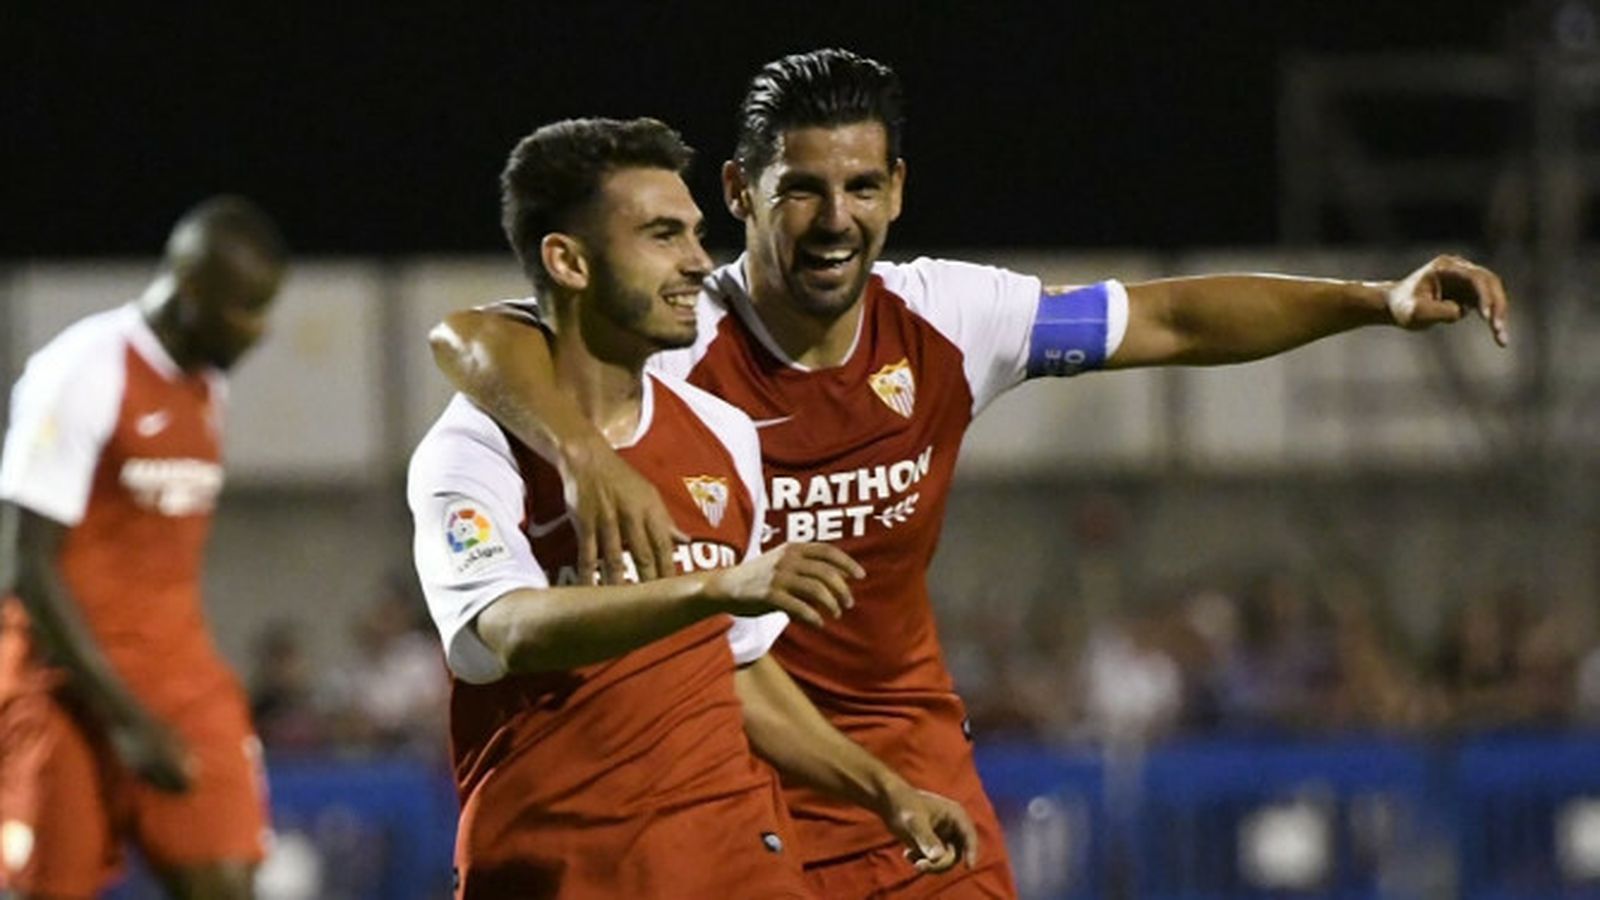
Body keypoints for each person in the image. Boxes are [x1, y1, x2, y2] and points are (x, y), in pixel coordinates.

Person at [429, 49, 1512, 898]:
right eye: (801, 189)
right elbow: (471, 333)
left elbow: (1170, 317)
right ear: (741, 194)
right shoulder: (674, 337)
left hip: (906, 764)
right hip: (735, 784)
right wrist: (578, 449)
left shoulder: (949, 317)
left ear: (896, 190)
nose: (835, 219)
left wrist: (1374, 299)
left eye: (861, 186)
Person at [409, 116, 976, 898]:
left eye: (695, 235)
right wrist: (712, 587)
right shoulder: (473, 448)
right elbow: (497, 631)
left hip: (737, 855)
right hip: (562, 862)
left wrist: (884, 790)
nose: (696, 264)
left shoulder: (721, 432)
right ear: (568, 261)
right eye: (662, 236)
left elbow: (738, 663)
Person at [0, 196, 285, 899]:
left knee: (225, 882)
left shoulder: (207, 385)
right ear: (192, 290)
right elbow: (29, 565)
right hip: (64, 682)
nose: (260, 330)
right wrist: (124, 718)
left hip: (179, 676)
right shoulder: (82, 372)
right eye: (247, 308)